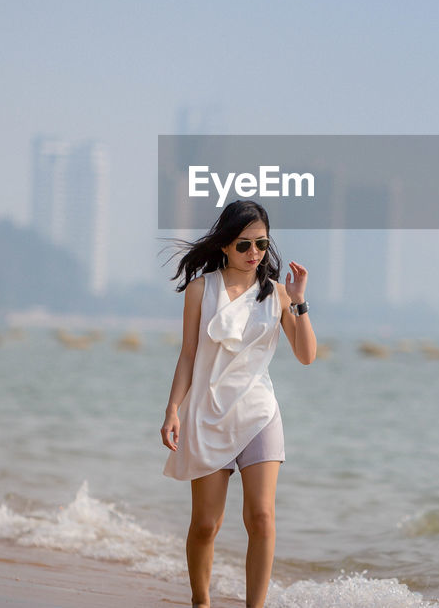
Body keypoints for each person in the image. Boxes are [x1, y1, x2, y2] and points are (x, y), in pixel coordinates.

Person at [161, 199, 317, 608]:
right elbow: (189, 355)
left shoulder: (277, 294)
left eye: (262, 245)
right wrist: (172, 409)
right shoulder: (201, 289)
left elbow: (306, 355)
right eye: (245, 245)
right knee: (206, 525)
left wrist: (299, 301)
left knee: (262, 518)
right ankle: (201, 602)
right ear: (226, 245)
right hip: (208, 413)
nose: (255, 254)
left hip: (259, 414)